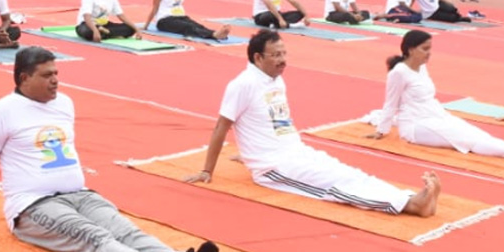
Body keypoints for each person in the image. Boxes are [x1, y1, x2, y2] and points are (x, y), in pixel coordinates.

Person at [0, 48, 218, 252]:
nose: (55, 81)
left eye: (56, 74)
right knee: (94, 238)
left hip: (79, 194)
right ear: (24, 78)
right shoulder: (0, 112)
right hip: (33, 207)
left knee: (123, 229)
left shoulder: (64, 103)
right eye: (47, 75)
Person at [187, 30, 440, 216]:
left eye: (284, 53)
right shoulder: (242, 84)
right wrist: (208, 170)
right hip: (274, 167)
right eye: (276, 55)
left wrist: (247, 153)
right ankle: (410, 205)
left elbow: (269, 122)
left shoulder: (275, 79)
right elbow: (222, 125)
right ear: (257, 57)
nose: (283, 60)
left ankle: (406, 197)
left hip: (295, 150)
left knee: (346, 172)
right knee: (332, 185)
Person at [372, 30, 504, 160]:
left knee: (472, 130)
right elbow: (391, 103)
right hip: (415, 126)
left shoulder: (422, 67)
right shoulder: (398, 73)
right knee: (463, 138)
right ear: (410, 50)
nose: (429, 53)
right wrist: (381, 131)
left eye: (430, 48)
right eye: (424, 49)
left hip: (436, 115)